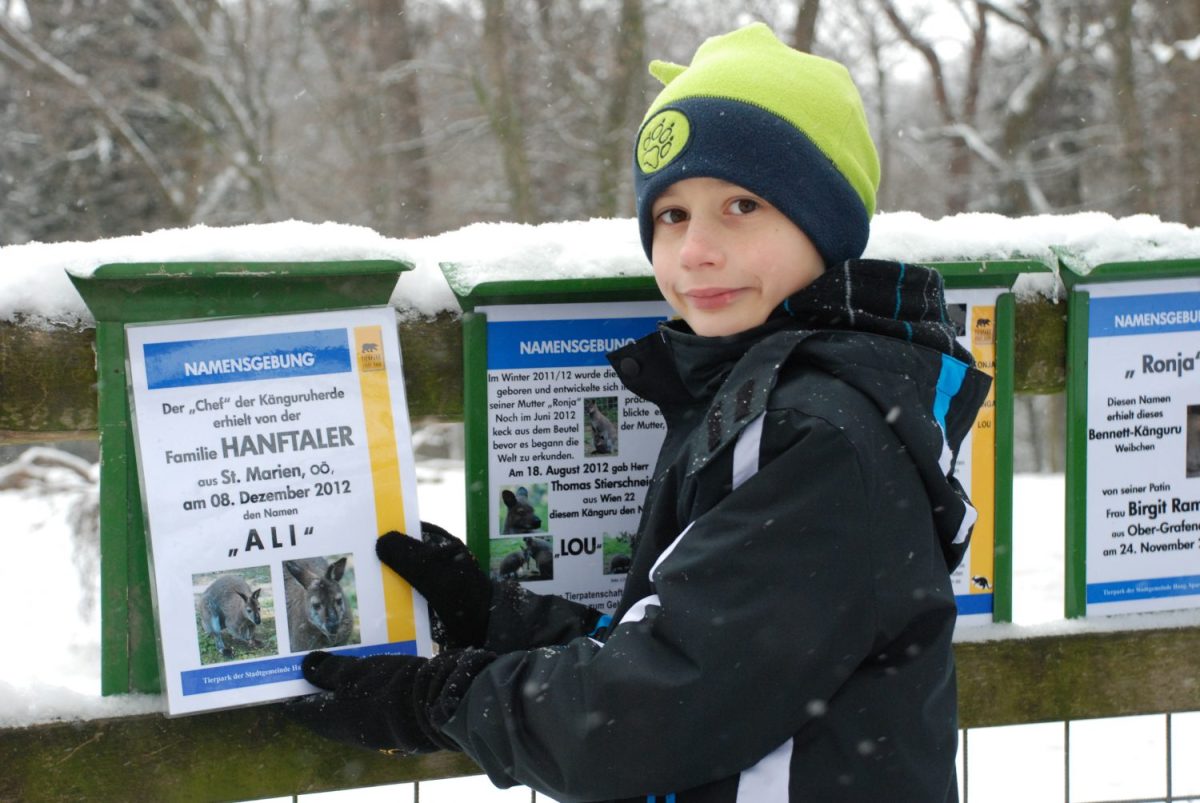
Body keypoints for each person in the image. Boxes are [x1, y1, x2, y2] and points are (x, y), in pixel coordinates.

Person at [287, 22, 990, 802]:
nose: (695, 250)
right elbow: (696, 644)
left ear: (825, 226)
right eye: (672, 216)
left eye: (742, 205)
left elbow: (657, 712)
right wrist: (496, 617)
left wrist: (440, 700)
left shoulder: (817, 434)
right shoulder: (759, 394)